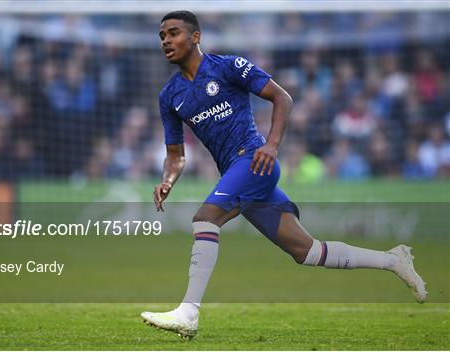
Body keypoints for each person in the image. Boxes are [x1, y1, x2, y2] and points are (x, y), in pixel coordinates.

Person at [141, 11, 427, 339]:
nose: (166, 40)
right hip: (239, 173)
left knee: (205, 219)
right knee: (307, 251)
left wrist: (272, 145)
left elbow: (282, 97)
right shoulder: (169, 96)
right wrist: (168, 179)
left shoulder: (228, 67)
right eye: (162, 35)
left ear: (195, 37)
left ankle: (188, 313)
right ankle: (393, 261)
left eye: (174, 33)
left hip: (254, 160)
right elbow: (175, 155)